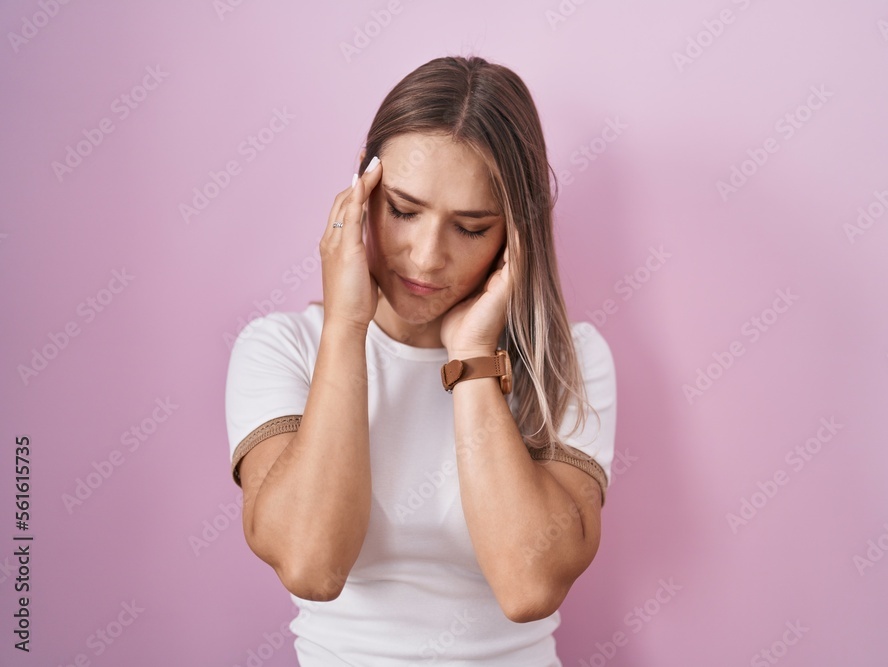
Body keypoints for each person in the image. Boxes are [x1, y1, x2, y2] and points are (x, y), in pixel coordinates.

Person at [224, 55, 617, 665]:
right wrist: (346, 327)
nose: (427, 257)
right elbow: (311, 566)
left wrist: (471, 358)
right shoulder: (281, 349)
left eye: (471, 226)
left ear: (516, 235)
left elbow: (528, 586)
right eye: (403, 211)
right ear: (361, 194)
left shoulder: (567, 360)